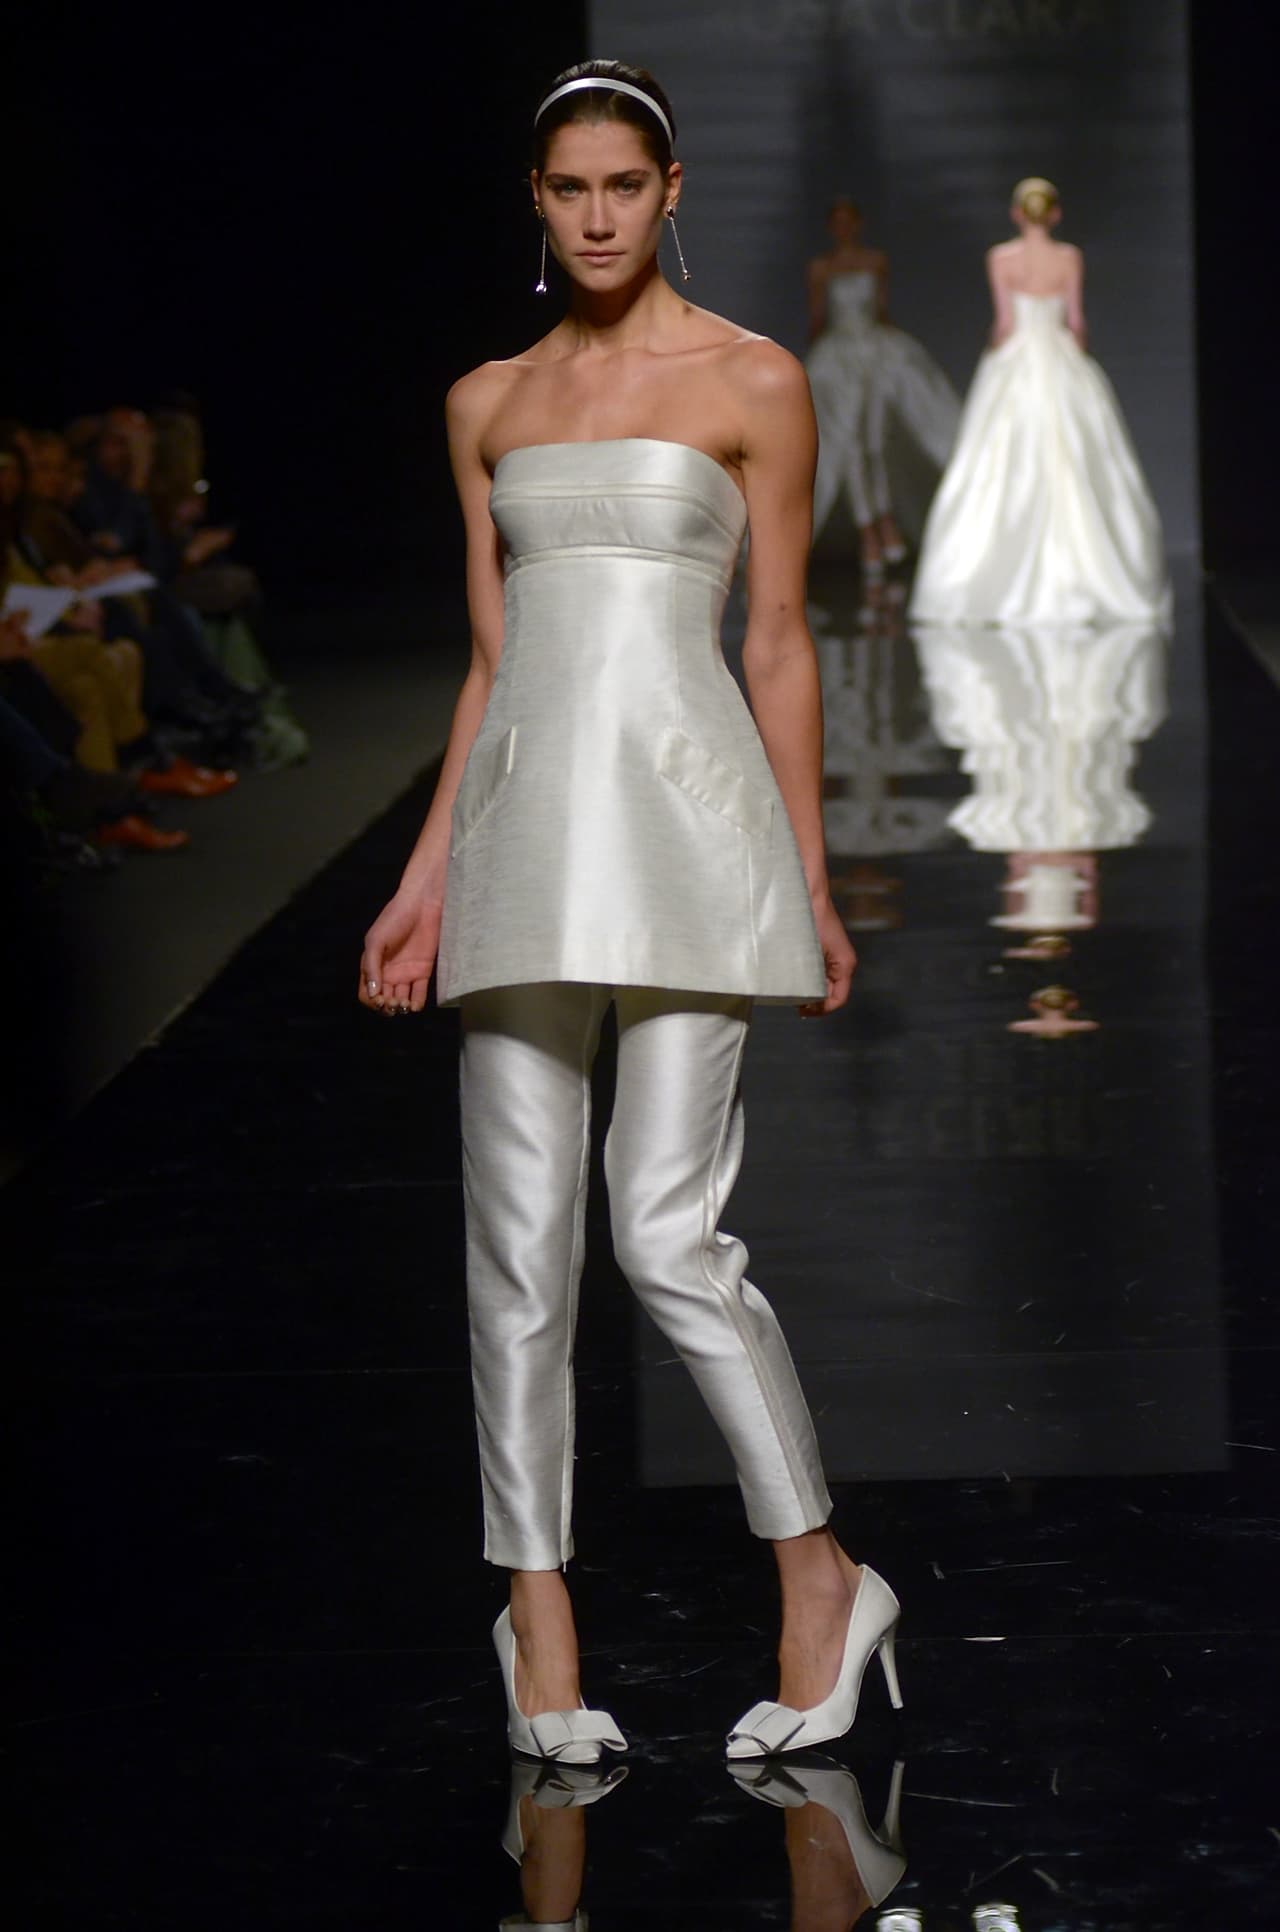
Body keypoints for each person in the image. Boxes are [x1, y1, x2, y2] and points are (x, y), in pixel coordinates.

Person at [357, 60, 902, 1766]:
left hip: (688, 832)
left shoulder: (753, 377)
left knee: (668, 1234)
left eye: (624, 184)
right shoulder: (487, 401)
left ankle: (822, 1578)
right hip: (525, 839)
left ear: (671, 190)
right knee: (517, 1250)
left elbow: (780, 642)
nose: (597, 214)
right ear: (538, 199)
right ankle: (536, 1613)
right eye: (568, 187)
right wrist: (425, 870)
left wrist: (810, 876)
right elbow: (492, 661)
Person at [909, 178, 1170, 626]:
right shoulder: (1069, 258)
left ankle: (996, 582)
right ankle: (1085, 575)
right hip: (1060, 358)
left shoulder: (1001, 258)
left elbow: (1004, 325)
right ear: (1055, 214)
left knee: (1004, 464)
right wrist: (1073, 353)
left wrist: (995, 356)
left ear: (1016, 214)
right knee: (1075, 461)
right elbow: (1076, 323)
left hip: (1016, 364)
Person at [805, 197, 959, 574]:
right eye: (837, 221)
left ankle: (884, 522)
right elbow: (818, 318)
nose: (843, 228)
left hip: (875, 355)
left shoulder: (876, 261)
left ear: (858, 224)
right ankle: (870, 532)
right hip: (839, 362)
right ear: (831, 227)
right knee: (849, 446)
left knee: (874, 443)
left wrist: (897, 355)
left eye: (848, 221)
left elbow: (882, 310)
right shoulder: (821, 268)